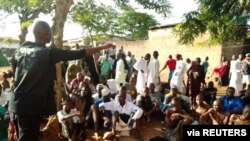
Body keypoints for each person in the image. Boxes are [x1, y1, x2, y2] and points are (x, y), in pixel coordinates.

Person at [8, 21, 115, 141]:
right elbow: (79, 53)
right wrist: (103, 47)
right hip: (29, 107)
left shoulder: (22, 48)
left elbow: (13, 67)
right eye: (49, 33)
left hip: (15, 103)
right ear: (45, 35)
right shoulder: (48, 53)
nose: (50, 36)